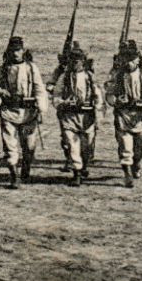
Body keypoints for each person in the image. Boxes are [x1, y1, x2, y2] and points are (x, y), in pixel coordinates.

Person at [0, 37, 50, 188]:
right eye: (12, 50)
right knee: (10, 147)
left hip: (28, 113)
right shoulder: (3, 69)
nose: (15, 53)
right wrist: (0, 91)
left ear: (23, 51)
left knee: (29, 146)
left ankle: (26, 168)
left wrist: (41, 107)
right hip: (9, 112)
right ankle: (13, 175)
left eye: (18, 50)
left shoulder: (31, 68)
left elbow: (39, 88)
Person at [108, 39, 142, 188]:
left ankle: (137, 164)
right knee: (125, 146)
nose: (129, 62)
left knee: (141, 149)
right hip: (123, 115)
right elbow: (109, 93)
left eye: (132, 59)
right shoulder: (117, 75)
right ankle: (127, 174)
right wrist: (116, 100)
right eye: (126, 59)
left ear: (137, 59)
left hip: (141, 118)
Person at [50, 42, 102, 186]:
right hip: (70, 117)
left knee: (86, 147)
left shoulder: (89, 77)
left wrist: (96, 109)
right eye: (72, 60)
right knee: (73, 145)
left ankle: (83, 166)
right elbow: (56, 97)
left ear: (83, 62)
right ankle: (77, 173)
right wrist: (65, 103)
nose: (75, 63)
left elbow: (98, 97)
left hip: (87, 117)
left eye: (78, 60)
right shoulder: (64, 77)